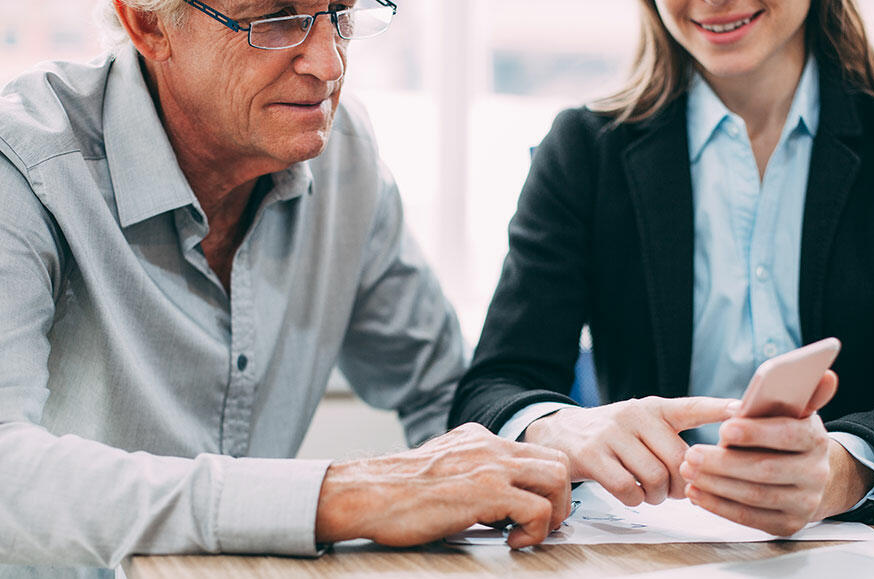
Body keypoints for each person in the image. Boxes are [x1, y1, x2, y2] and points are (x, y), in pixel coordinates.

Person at [0, 0, 571, 576]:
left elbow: (442, 394)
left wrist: (549, 433)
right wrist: (339, 496)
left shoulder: (343, 152)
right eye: (275, 17)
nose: (328, 64)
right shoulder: (23, 163)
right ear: (147, 24)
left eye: (341, 12)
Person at [450, 0, 874, 537]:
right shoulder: (585, 151)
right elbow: (493, 388)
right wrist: (557, 429)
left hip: (859, 547)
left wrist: (841, 471)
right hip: (649, 549)